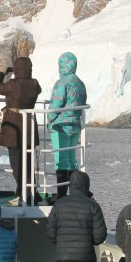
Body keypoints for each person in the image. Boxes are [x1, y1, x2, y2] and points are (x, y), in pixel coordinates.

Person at [0, 57, 41, 204]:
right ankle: (31, 192)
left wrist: (1, 72)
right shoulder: (35, 84)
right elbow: (37, 89)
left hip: (13, 124)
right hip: (29, 124)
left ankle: (24, 194)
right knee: (28, 162)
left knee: (16, 162)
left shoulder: (13, 85)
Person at [47, 52, 88, 198]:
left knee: (61, 161)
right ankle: (75, 192)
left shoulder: (62, 83)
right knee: (72, 160)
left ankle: (61, 195)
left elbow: (56, 105)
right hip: (75, 125)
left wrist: (49, 119)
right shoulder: (80, 83)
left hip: (61, 126)